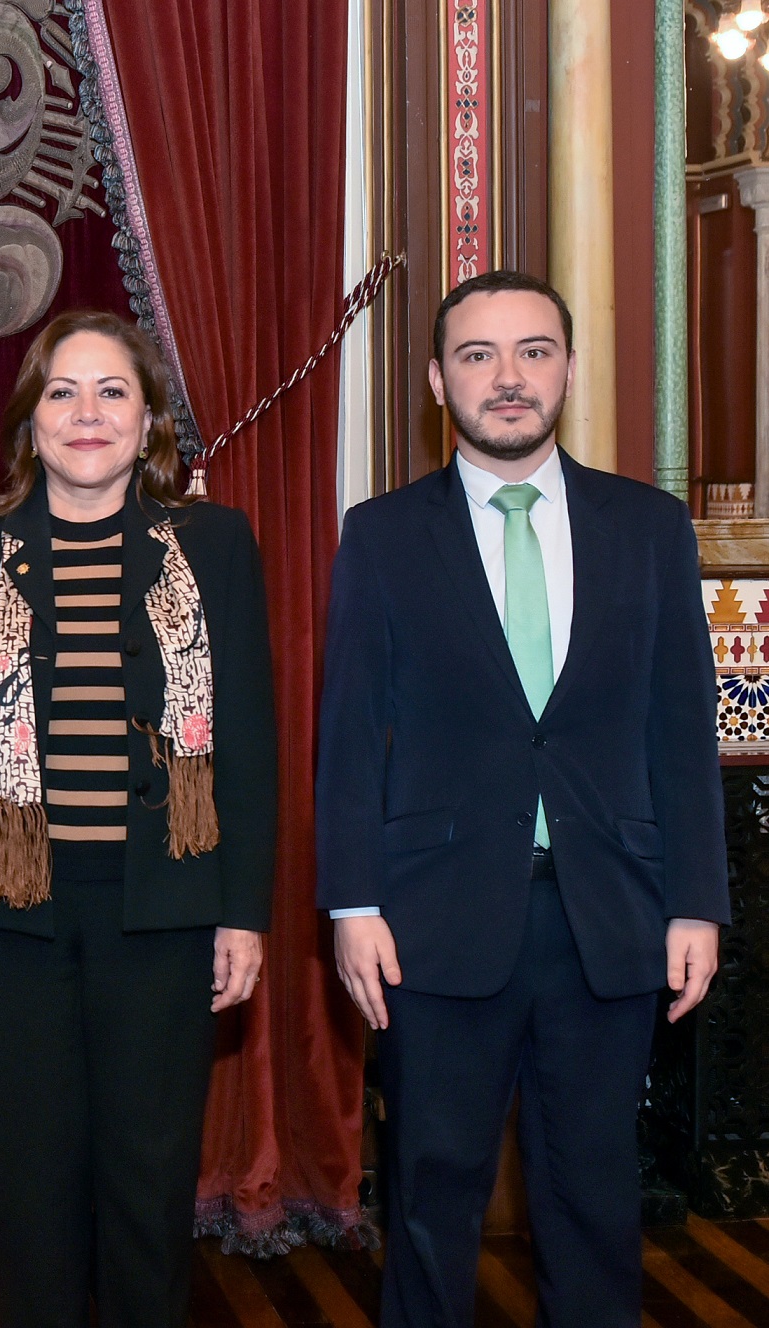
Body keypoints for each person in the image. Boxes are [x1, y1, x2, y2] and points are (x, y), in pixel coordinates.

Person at [316, 269, 727, 1326]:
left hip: (609, 915)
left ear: (569, 368)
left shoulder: (649, 528)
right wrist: (349, 905)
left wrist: (697, 903)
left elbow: (682, 732)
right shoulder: (381, 535)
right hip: (432, 920)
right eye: (478, 354)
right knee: (428, 1195)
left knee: (592, 1197)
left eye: (532, 351)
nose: (508, 378)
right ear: (435, 380)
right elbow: (352, 737)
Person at [0, 309, 276, 1326]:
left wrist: (242, 912)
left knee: (146, 1178)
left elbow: (245, 738)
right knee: (30, 1177)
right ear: (31, 422)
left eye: (112, 391)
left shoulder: (213, 541)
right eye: (63, 391)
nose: (87, 413)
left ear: (149, 420)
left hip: (163, 908)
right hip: (13, 912)